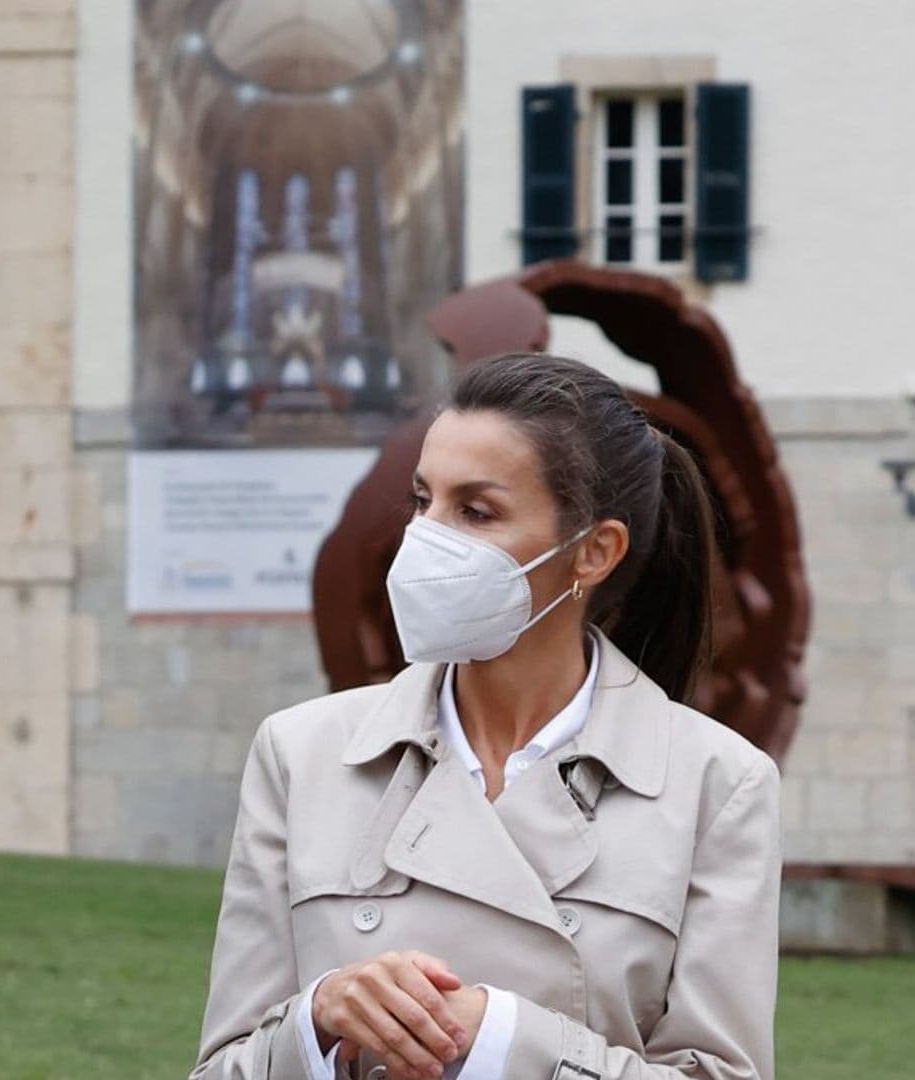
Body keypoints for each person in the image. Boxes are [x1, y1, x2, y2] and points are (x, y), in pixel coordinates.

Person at [192, 354, 780, 1080]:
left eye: (475, 511)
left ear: (593, 552)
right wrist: (320, 1018)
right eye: (422, 502)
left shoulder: (718, 784)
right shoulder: (302, 752)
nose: (424, 539)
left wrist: (508, 1041)